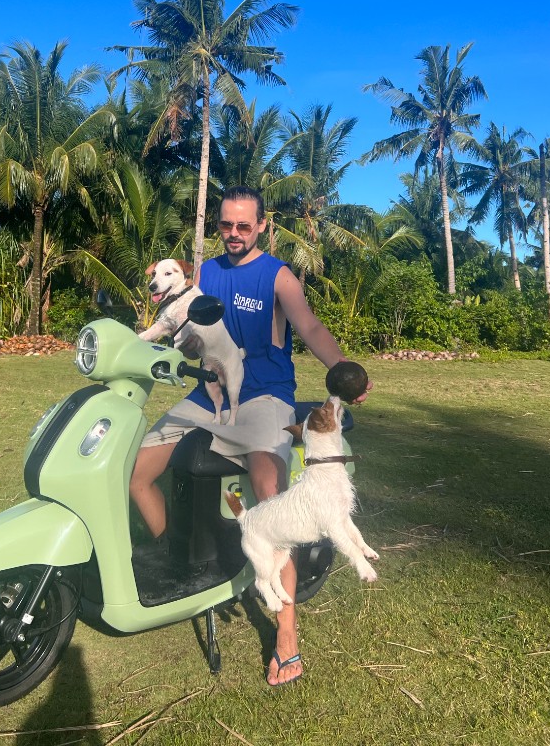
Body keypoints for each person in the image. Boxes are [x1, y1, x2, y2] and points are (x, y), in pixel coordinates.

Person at [129, 185, 372, 686]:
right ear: (217, 226)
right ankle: (175, 565)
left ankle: (287, 638)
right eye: (226, 225)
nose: (234, 234)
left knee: (270, 495)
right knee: (137, 474)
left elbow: (310, 327)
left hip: (266, 396)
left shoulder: (277, 275)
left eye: (244, 225)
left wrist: (345, 367)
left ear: (262, 225)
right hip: (211, 394)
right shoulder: (208, 274)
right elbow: (194, 335)